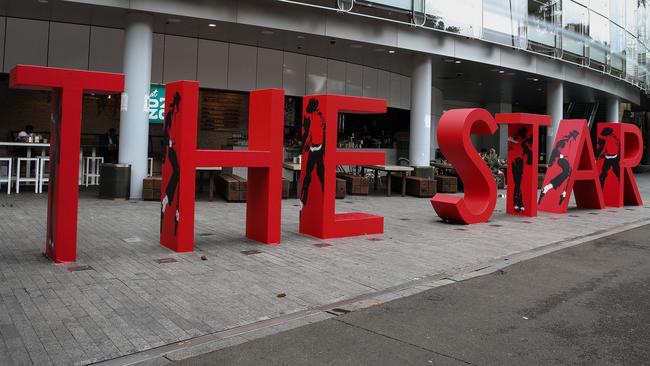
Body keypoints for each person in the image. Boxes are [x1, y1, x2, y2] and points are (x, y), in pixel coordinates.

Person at [538, 130, 580, 206]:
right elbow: (556, 151)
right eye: (573, 137)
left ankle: (551, 189)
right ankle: (559, 191)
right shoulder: (564, 142)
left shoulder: (570, 142)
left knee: (569, 174)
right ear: (571, 136)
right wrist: (561, 156)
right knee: (568, 172)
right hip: (561, 160)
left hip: (566, 161)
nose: (573, 139)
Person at [299, 98, 326, 210]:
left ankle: (306, 198)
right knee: (312, 174)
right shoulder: (313, 116)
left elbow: (309, 132)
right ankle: (304, 197)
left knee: (316, 174)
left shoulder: (317, 116)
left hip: (316, 149)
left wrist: (303, 146)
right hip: (315, 149)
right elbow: (308, 132)